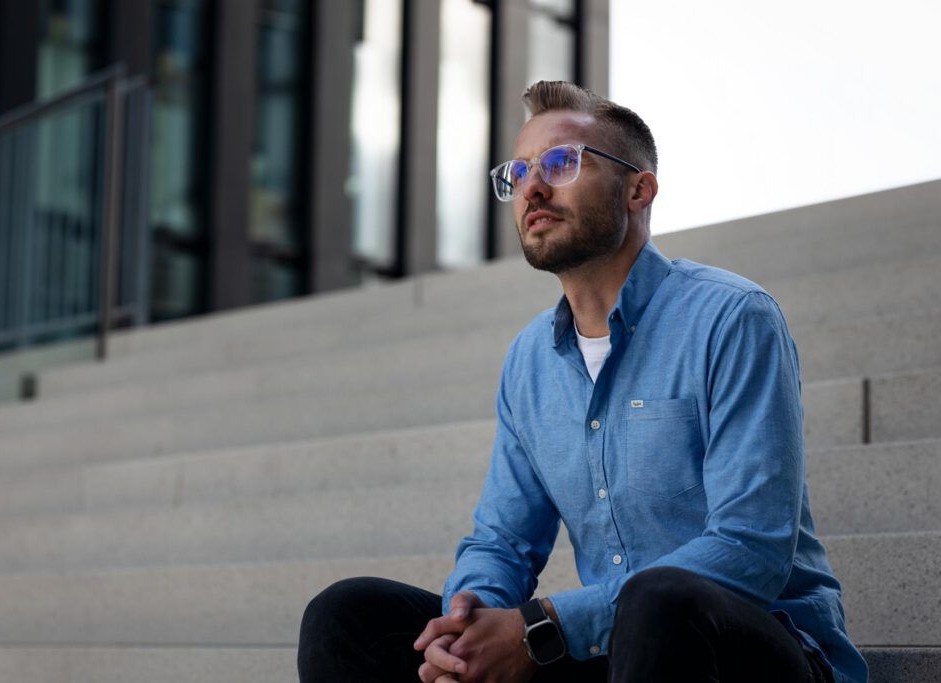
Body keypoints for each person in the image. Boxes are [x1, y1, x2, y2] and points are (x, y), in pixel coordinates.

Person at [297, 80, 868, 683]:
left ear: (638, 189)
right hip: (611, 652)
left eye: (562, 163)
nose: (533, 187)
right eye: (518, 173)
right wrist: (469, 621)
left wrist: (546, 624)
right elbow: (502, 540)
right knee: (350, 613)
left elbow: (751, 546)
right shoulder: (530, 361)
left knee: (659, 597)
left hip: (752, 646)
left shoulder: (731, 318)